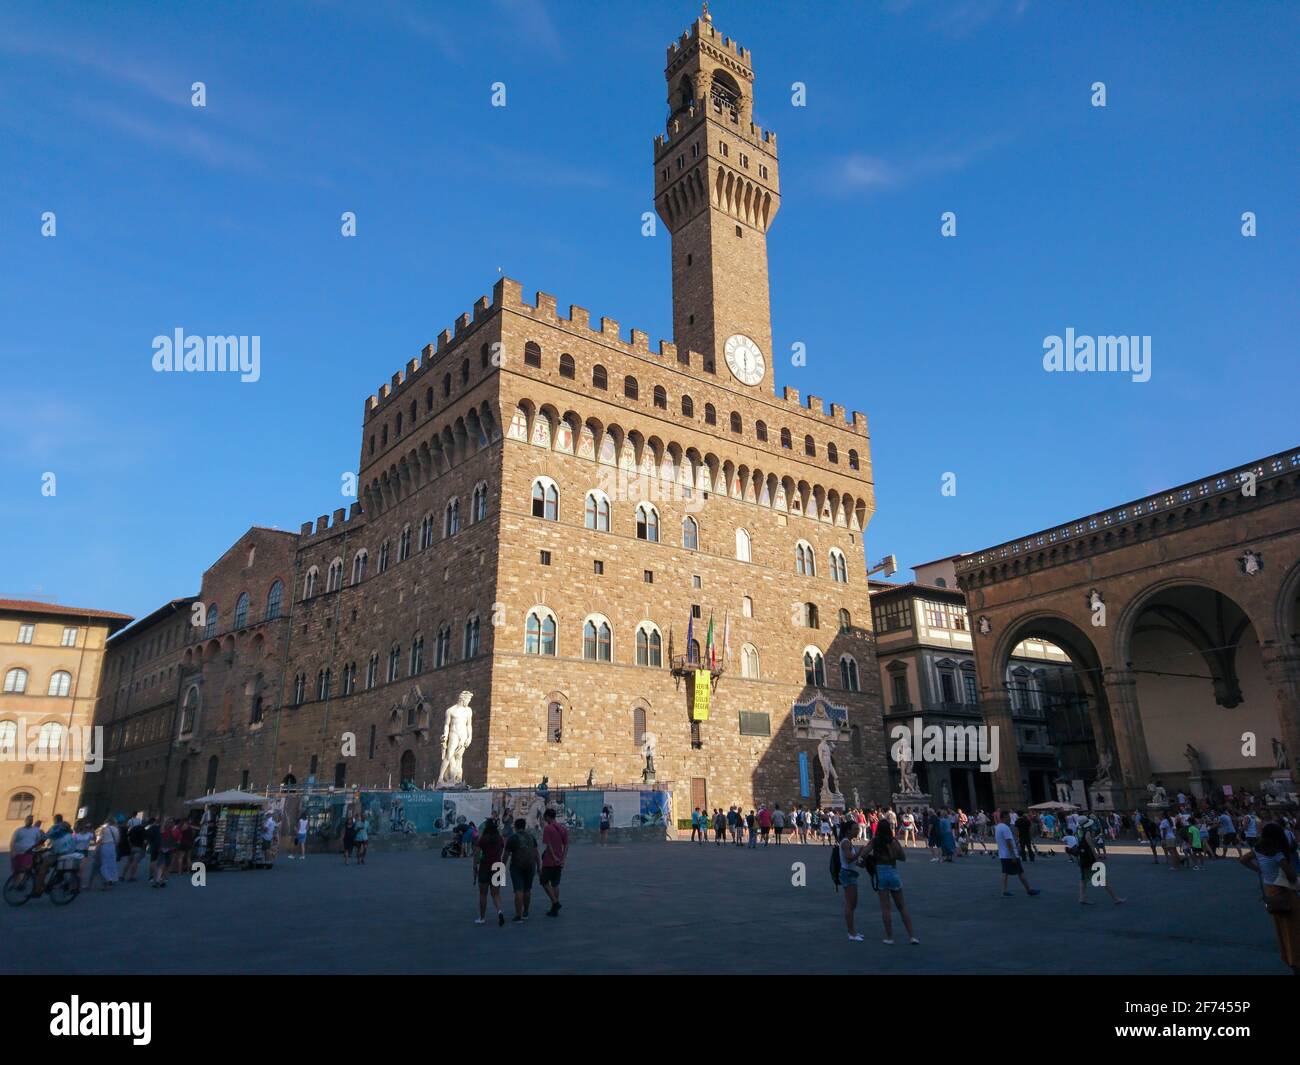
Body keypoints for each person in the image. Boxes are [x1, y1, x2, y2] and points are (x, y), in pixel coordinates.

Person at [1240, 822, 1300, 974]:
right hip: (1284, 890)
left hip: (1270, 891)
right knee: (1293, 929)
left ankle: (1289, 959)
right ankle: (1296, 961)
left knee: (1281, 929)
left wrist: (1260, 870)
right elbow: (1291, 876)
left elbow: (1243, 860)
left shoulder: (1258, 849)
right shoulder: (1277, 853)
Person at [868, 819, 919, 944]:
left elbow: (863, 854)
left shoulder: (875, 841)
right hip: (893, 872)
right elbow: (902, 857)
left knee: (886, 908)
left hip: (881, 874)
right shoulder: (893, 841)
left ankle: (889, 937)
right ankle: (912, 936)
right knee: (902, 907)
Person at [1069, 824, 1125, 906]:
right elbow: (1091, 846)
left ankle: (1082, 897)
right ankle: (1115, 898)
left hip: (1083, 859)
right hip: (1089, 859)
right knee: (1102, 878)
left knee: (1083, 879)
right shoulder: (1086, 832)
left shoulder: (1078, 832)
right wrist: (1096, 857)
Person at [995, 811, 1040, 897]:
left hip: (1003, 855)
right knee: (1020, 872)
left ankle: (1004, 891)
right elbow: (1008, 842)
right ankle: (1029, 890)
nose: (1009, 819)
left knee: (1005, 873)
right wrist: (1013, 855)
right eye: (1008, 817)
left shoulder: (998, 827)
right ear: (1004, 817)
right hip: (1010, 855)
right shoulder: (1005, 828)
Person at [471, 818, 506, 926]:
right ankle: (499, 911)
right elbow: (501, 851)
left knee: (483, 894)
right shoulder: (499, 838)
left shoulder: (483, 839)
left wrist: (474, 866)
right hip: (498, 865)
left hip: (485, 866)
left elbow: (476, 853)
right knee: (496, 894)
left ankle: (482, 918)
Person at [505, 818, 539, 921]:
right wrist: (539, 866)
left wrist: (502, 866)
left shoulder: (513, 838)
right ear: (524, 826)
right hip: (530, 865)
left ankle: (518, 915)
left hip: (517, 866)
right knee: (527, 890)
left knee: (518, 890)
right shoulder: (531, 836)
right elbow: (536, 853)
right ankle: (526, 912)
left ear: (515, 827)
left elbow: (505, 855)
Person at [540, 807, 568, 917]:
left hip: (549, 861)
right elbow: (566, 845)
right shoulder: (563, 828)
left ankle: (555, 903)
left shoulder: (548, 828)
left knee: (544, 882)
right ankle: (554, 907)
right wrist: (562, 858)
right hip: (559, 861)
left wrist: (554, 857)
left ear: (547, 817)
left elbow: (548, 845)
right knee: (555, 884)